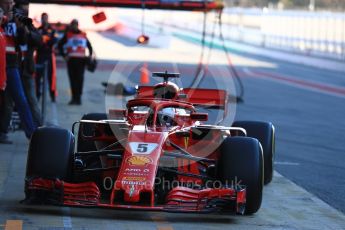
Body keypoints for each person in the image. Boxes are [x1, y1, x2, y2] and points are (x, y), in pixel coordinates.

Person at [0, 0, 37, 143]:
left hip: (11, 65)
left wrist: (22, 27)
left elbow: (22, 42)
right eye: (6, 2)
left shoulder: (17, 19)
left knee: (20, 99)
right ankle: (2, 132)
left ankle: (31, 133)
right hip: (3, 63)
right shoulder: (3, 19)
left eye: (11, 3)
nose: (9, 5)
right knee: (6, 103)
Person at [15, 0, 42, 126]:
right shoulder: (11, 26)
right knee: (12, 101)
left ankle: (39, 126)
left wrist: (28, 31)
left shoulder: (30, 26)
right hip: (13, 68)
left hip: (27, 70)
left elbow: (39, 40)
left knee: (31, 99)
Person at [58, 19, 93, 105]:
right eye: (72, 25)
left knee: (80, 80)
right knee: (72, 80)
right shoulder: (68, 35)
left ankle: (78, 98)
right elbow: (60, 45)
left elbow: (90, 47)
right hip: (71, 61)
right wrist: (64, 55)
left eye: (75, 25)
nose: (74, 26)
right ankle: (74, 98)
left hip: (81, 61)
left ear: (77, 25)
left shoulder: (83, 35)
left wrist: (89, 55)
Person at [36, 12, 57, 102]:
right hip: (40, 55)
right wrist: (42, 43)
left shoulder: (52, 30)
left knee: (51, 76)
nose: (44, 20)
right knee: (37, 76)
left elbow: (55, 39)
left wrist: (46, 42)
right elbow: (36, 40)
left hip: (49, 55)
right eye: (43, 18)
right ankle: (37, 95)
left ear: (48, 19)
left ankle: (52, 96)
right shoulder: (38, 30)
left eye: (46, 18)